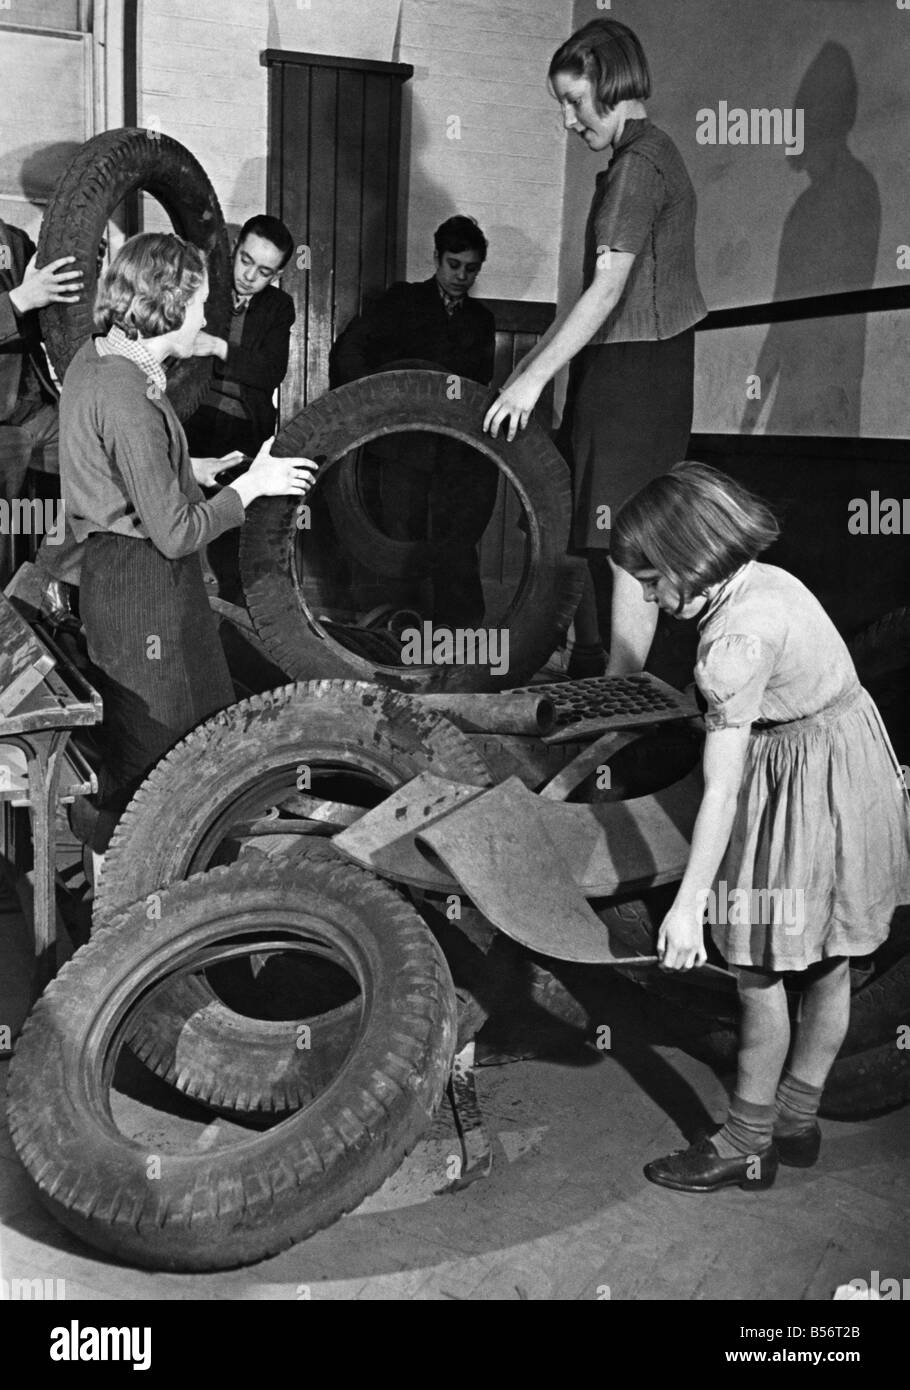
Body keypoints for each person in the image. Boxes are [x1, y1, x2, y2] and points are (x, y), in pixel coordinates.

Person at [608, 462, 910, 1193]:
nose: (646, 596)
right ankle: (798, 1119)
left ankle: (746, 1142)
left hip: (801, 783)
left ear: (687, 560)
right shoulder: (766, 581)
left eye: (652, 581)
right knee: (833, 958)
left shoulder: (732, 645)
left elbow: (721, 787)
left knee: (755, 969)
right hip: (853, 763)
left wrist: (686, 910)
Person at [59, 232, 316, 856]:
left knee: (200, 731)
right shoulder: (126, 392)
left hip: (131, 576)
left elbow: (112, 462)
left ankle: (184, 873)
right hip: (140, 586)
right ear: (170, 306)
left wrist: (183, 468)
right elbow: (175, 533)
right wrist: (251, 488)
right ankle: (131, 892)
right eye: (200, 300)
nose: (207, 315)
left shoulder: (100, 359)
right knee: (160, 760)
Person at [483, 19, 706, 677]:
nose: (567, 120)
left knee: (630, 544)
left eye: (574, 102)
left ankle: (623, 694)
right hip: (631, 365)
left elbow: (607, 293)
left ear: (609, 87)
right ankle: (610, 683)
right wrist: (529, 369)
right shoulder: (652, 153)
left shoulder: (637, 168)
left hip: (636, 371)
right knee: (613, 536)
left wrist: (527, 383)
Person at [330, 215, 496, 628]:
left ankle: (459, 642)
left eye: (471, 268)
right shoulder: (401, 301)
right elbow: (349, 352)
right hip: (402, 448)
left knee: (455, 543)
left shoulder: (482, 321)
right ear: (436, 258)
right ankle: (397, 635)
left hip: (456, 455)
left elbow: (478, 386)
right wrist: (373, 409)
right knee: (399, 539)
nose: (461, 276)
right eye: (453, 264)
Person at [184, 214, 297, 601]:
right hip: (190, 419)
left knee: (231, 538)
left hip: (242, 430)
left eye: (264, 271)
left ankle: (228, 611)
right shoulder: (202, 288)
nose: (249, 275)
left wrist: (219, 347)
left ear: (278, 274)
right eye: (245, 260)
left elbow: (269, 371)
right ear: (234, 249)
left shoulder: (279, 308)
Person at [0, 218, 83, 605]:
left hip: (34, 405)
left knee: (103, 460)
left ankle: (43, 588)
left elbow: (50, 310)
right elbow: (23, 302)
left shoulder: (14, 240)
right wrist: (17, 301)